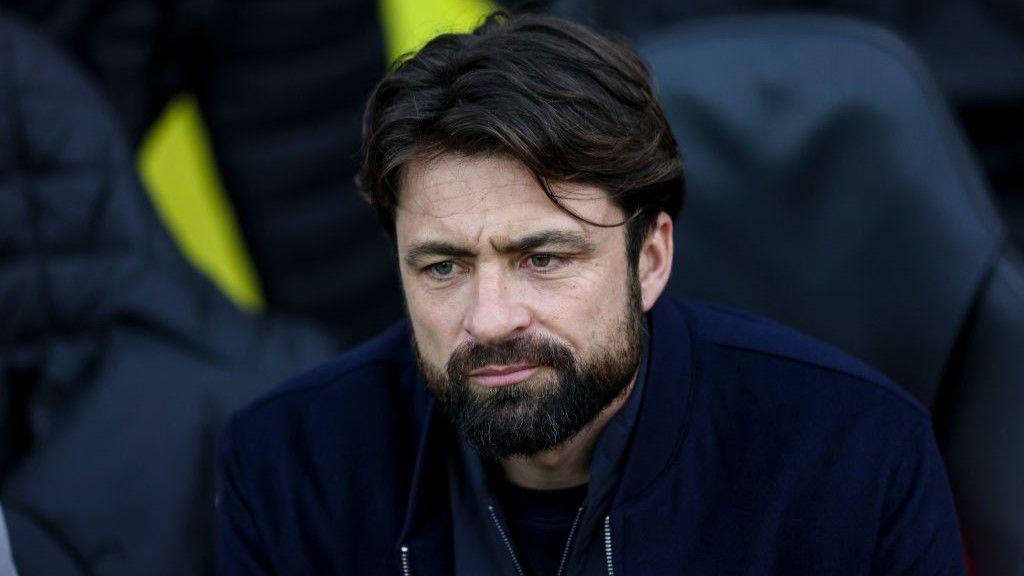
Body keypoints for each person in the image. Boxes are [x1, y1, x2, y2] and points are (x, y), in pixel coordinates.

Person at [216, 12, 966, 575]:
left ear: (652, 258)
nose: (490, 319)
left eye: (542, 258)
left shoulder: (855, 460)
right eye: (442, 268)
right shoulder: (290, 468)